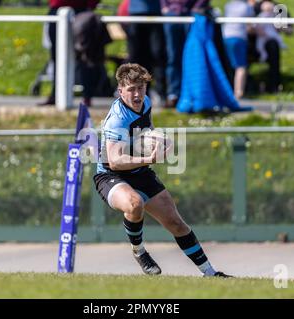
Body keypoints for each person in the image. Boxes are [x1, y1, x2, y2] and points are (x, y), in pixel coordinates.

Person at [93, 63, 231, 277]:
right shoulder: (117, 120)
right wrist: (148, 157)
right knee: (134, 204)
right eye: (131, 89)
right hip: (111, 175)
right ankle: (139, 252)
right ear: (120, 91)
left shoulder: (146, 103)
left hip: (139, 171)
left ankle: (210, 273)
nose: (137, 94)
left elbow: (147, 130)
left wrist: (159, 140)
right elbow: (115, 161)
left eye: (141, 87)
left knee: (176, 222)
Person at [38, 0, 100, 106]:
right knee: (56, 56)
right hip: (57, 10)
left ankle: (87, 97)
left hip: (81, 11)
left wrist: (90, 6)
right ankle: (56, 95)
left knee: (83, 56)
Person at [161, 0, 208, 108]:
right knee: (173, 57)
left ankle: (192, 94)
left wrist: (197, 7)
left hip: (191, 15)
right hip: (172, 15)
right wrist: (164, 6)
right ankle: (174, 94)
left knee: (192, 57)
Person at [127, 0, 167, 107]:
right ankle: (135, 93)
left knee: (157, 54)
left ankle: (160, 92)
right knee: (136, 57)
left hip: (155, 14)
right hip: (135, 15)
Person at [222, 0, 254, 99]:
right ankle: (238, 92)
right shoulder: (247, 7)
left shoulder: (228, 5)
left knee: (229, 66)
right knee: (241, 67)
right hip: (239, 37)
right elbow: (250, 26)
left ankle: (227, 91)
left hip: (226, 37)